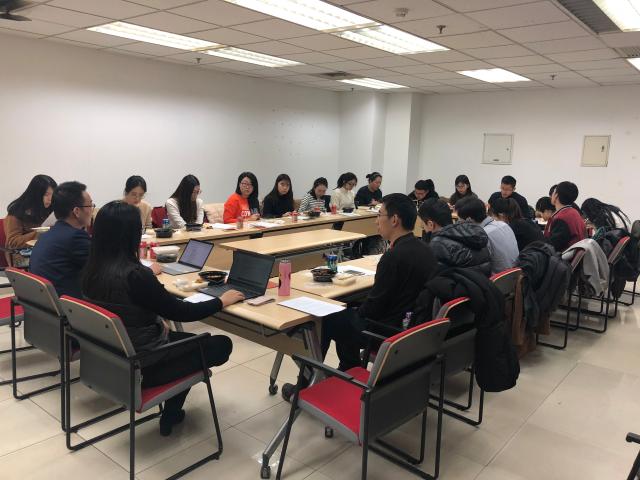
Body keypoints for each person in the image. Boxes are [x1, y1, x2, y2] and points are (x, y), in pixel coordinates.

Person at [82, 201, 244, 436]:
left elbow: (129, 308)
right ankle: (171, 413)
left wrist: (156, 317)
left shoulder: (90, 270)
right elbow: (180, 312)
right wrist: (221, 301)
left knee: (186, 341)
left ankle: (172, 413)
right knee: (220, 345)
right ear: (131, 236)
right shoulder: (136, 275)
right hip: (144, 364)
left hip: (112, 360)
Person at [316, 194, 437, 374]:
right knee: (348, 310)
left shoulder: (392, 257)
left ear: (394, 220)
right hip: (410, 326)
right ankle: (349, 368)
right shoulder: (426, 249)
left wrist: (356, 311)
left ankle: (310, 379)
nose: (376, 221)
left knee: (327, 318)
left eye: (379, 215)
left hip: (385, 332)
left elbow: (373, 308)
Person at [29, 181, 93, 297]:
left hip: (42, 302)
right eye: (90, 205)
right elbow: (101, 269)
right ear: (77, 211)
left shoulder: (48, 234)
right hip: (66, 304)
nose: (92, 210)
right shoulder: (75, 238)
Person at [418, 198, 490, 275]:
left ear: (430, 224)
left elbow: (431, 276)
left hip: (461, 282)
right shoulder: (472, 233)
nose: (421, 226)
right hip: (482, 280)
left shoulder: (438, 244)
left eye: (422, 223)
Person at [456, 197, 519, 275]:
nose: (458, 223)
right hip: (515, 275)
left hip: (497, 279)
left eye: (459, 220)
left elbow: (475, 265)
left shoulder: (482, 236)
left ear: (469, 219)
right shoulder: (503, 224)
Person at [4, 175, 57, 265]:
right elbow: (13, 242)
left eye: (53, 194)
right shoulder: (16, 212)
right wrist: (41, 233)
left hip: (46, 253)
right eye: (46, 194)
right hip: (23, 258)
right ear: (35, 195)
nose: (50, 199)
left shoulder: (48, 209)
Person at [544, 182, 586, 252]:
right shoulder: (574, 212)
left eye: (553, 192)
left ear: (556, 195)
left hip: (563, 257)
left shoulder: (561, 218)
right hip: (574, 255)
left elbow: (552, 246)